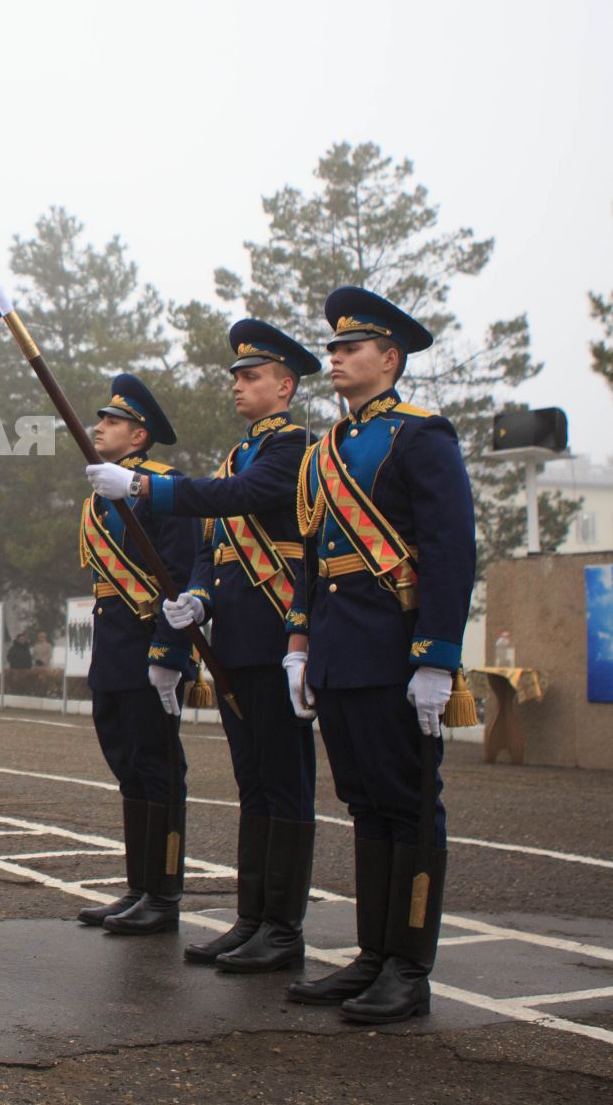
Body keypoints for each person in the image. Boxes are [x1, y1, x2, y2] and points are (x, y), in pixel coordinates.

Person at [91, 321, 321, 973]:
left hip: (277, 638)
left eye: (251, 377)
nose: (238, 387)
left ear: (284, 385)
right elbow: (214, 554)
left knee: (283, 782)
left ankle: (283, 928)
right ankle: (252, 919)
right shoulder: (237, 454)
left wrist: (144, 487)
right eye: (236, 378)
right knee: (253, 785)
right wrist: (199, 600)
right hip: (236, 643)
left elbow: (240, 501)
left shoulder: (290, 449)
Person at [282, 288, 476, 1024]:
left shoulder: (419, 436)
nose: (334, 358)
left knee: (407, 805)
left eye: (349, 349)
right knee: (363, 805)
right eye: (331, 349)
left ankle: (407, 965)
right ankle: (371, 953)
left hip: (395, 649)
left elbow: (452, 550)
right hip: (338, 649)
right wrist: (298, 646)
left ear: (388, 359)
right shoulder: (326, 450)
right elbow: (308, 555)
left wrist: (436, 655)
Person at [75, 374, 199, 937]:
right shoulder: (101, 499)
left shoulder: (161, 488)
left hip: (150, 642)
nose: (98, 427)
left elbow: (177, 574)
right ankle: (138, 886)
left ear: (139, 435)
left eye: (112, 421)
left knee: (159, 768)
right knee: (128, 767)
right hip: (113, 648)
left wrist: (170, 653)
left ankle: (165, 893)